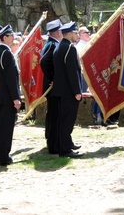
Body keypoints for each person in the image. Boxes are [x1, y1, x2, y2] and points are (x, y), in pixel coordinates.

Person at [52, 21, 83, 158]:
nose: (77, 35)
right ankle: (65, 150)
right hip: (68, 91)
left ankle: (66, 143)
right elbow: (72, 72)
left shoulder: (60, 46)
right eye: (75, 33)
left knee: (63, 119)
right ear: (69, 34)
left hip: (61, 90)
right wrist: (77, 91)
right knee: (67, 121)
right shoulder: (69, 48)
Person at [0, 25, 21, 166]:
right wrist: (16, 98)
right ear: (5, 37)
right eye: (11, 36)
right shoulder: (7, 53)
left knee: (1, 126)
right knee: (6, 128)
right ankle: (4, 156)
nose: (13, 38)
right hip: (8, 97)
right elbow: (11, 79)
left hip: (3, 96)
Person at [40, 20, 62, 154]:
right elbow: (44, 61)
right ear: (58, 32)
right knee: (54, 116)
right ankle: (53, 144)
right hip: (52, 87)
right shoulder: (52, 44)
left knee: (53, 114)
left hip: (52, 87)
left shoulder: (51, 43)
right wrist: (52, 78)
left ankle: (52, 139)